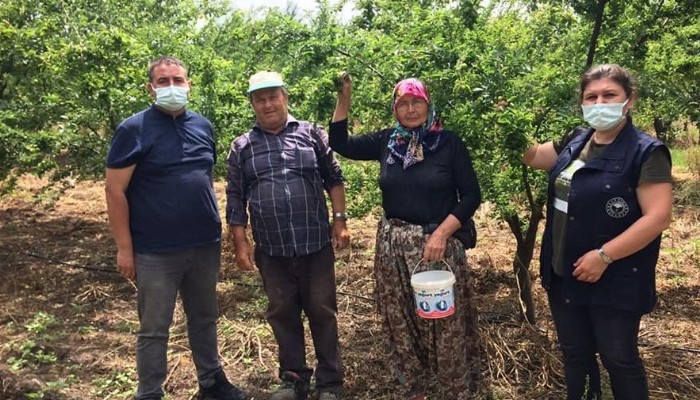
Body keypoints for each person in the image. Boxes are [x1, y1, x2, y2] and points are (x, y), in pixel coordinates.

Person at [522, 64, 673, 400]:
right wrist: (505, 124)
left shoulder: (646, 152)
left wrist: (604, 256)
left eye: (609, 95)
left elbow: (658, 217)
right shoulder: (575, 141)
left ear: (628, 100)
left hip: (615, 277)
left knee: (619, 358)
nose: (599, 102)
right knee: (576, 355)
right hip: (564, 272)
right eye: (591, 96)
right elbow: (532, 156)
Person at [330, 75, 482, 400]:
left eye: (417, 102)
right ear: (394, 108)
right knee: (399, 319)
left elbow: (470, 195)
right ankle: (413, 389)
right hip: (392, 245)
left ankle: (455, 388)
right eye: (403, 103)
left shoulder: (448, 143)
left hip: (436, 245)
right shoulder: (388, 142)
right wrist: (344, 98)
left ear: (428, 104)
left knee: (443, 322)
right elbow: (339, 143)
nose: (411, 109)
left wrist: (442, 233)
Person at [105, 56, 246, 400]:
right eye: (163, 81)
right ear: (150, 88)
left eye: (178, 80)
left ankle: (211, 381)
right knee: (155, 328)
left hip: (203, 244)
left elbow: (203, 176)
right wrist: (125, 248)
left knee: (204, 317)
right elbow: (114, 189)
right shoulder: (133, 129)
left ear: (189, 86)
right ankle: (150, 391)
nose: (172, 87)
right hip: (155, 249)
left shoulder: (203, 126)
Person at [225, 71, 349, 400]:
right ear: (252, 104)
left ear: (285, 97)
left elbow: (334, 179)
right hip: (272, 249)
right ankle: (294, 378)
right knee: (282, 312)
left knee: (322, 310)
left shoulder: (312, 134)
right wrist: (241, 243)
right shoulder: (242, 147)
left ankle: (330, 383)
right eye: (260, 99)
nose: (267, 104)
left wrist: (340, 221)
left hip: (315, 244)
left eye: (273, 96)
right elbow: (235, 198)